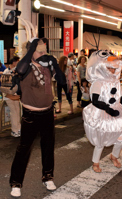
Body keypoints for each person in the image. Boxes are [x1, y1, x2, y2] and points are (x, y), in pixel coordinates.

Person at [9, 38, 66, 197]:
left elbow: (62, 81)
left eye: (44, 52)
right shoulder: (26, 67)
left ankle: (48, 177)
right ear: (31, 52)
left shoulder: (47, 67)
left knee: (48, 147)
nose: (43, 54)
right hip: (30, 115)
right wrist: (31, 49)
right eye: (39, 51)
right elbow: (19, 70)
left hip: (47, 113)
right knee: (24, 150)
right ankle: (16, 182)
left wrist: (54, 64)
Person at [83, 50, 122, 173]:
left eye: (114, 69)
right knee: (101, 138)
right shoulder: (98, 82)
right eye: (109, 68)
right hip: (102, 113)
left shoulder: (116, 81)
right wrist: (108, 110)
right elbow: (95, 101)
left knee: (121, 137)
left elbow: (120, 99)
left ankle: (114, 156)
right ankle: (95, 162)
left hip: (117, 112)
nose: (112, 71)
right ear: (102, 68)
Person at [2, 56, 21, 137]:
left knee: (15, 112)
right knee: (16, 112)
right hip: (14, 94)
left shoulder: (6, 71)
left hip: (8, 94)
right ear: (14, 62)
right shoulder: (16, 71)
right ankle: (16, 130)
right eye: (18, 61)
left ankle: (16, 130)